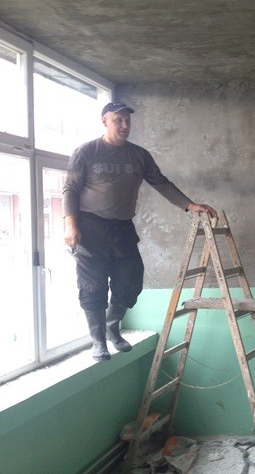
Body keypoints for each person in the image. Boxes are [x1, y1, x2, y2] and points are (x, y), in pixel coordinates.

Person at [63, 101, 216, 361]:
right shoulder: (86, 151)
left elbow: (160, 182)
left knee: (130, 279)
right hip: (90, 227)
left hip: (122, 227)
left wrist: (189, 205)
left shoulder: (139, 155)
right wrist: (71, 224)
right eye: (118, 120)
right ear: (104, 121)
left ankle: (112, 326)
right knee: (93, 285)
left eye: (127, 120)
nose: (124, 125)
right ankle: (98, 341)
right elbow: (70, 189)